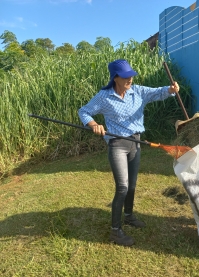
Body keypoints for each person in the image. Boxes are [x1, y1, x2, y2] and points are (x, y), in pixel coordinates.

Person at [78, 59, 179, 246]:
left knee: (132, 185)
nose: (130, 79)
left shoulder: (138, 91)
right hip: (117, 144)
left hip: (136, 142)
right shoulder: (104, 97)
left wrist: (171, 90)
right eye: (125, 76)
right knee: (123, 186)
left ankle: (129, 216)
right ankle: (115, 231)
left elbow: (158, 92)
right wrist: (93, 124)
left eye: (131, 75)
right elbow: (84, 111)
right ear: (115, 77)